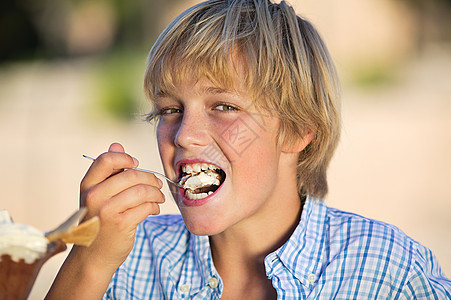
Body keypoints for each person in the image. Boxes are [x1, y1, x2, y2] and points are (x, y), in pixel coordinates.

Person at [47, 0, 451, 299]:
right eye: (170, 109)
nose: (185, 135)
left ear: (296, 130)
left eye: (224, 106)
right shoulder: (126, 260)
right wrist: (90, 259)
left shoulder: (385, 269)